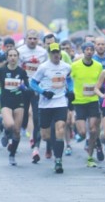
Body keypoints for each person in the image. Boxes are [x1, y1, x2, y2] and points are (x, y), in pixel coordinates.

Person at [29, 42, 73, 174]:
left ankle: (58, 160)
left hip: (60, 103)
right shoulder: (43, 67)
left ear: (60, 53)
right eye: (53, 52)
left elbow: (69, 80)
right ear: (49, 54)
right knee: (45, 135)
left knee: (60, 129)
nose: (55, 55)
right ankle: (53, 144)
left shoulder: (66, 67)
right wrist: (43, 92)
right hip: (45, 104)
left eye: (57, 52)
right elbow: (32, 83)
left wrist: (70, 90)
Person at [0, 47, 29, 165]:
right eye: (10, 55)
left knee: (16, 131)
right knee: (10, 124)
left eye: (15, 55)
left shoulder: (22, 72)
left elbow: (28, 88)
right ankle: (6, 133)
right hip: (6, 102)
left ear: (18, 57)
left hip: (19, 102)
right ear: (7, 58)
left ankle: (12, 154)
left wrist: (24, 88)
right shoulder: (1, 70)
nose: (12, 58)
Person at [71, 42, 104, 167]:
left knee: (94, 129)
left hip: (93, 101)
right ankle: (81, 130)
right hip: (79, 102)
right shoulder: (75, 66)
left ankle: (90, 156)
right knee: (83, 133)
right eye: (87, 50)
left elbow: (101, 82)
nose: (89, 52)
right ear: (83, 51)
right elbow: (68, 79)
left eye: (91, 50)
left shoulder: (98, 66)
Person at [17, 30, 47, 163]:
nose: (33, 41)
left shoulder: (43, 52)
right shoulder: (20, 51)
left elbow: (46, 71)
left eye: (35, 38)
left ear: (38, 39)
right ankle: (13, 133)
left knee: (36, 118)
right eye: (30, 38)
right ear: (25, 39)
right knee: (22, 118)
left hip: (36, 89)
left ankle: (36, 147)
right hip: (23, 87)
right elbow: (15, 70)